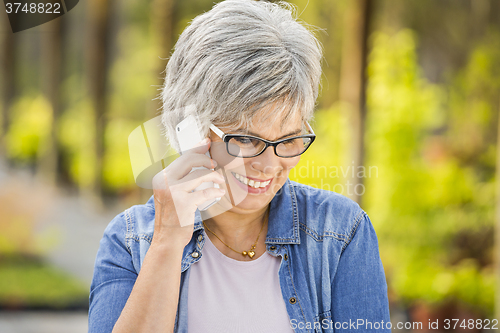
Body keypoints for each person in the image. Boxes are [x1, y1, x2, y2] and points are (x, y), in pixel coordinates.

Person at [88, 0, 391, 332]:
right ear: (189, 130)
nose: (269, 165)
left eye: (289, 139)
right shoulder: (130, 240)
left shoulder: (341, 232)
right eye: (246, 139)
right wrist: (167, 242)